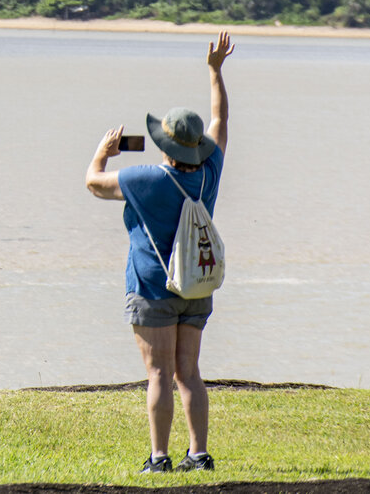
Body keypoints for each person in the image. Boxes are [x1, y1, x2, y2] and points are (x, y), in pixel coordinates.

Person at [86, 34, 233, 475]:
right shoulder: (211, 171)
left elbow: (93, 182)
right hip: (196, 284)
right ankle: (200, 454)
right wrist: (215, 70)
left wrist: (103, 150)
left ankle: (159, 459)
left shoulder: (144, 178)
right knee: (189, 371)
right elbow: (220, 118)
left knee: (157, 375)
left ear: (164, 145)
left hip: (152, 286)